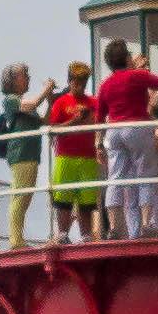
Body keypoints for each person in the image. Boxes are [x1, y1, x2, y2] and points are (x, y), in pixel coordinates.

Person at [95, 34, 158, 242]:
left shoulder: (105, 84)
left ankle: (113, 226)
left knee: (115, 178)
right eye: (129, 54)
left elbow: (99, 116)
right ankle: (148, 223)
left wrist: (98, 144)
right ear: (125, 58)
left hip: (113, 133)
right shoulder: (137, 76)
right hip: (137, 128)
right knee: (145, 175)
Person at [44, 63, 103, 235]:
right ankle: (63, 235)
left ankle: (86, 235)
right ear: (69, 81)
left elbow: (101, 123)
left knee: (87, 201)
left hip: (88, 158)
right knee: (63, 200)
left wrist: (91, 118)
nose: (80, 86)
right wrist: (76, 121)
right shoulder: (60, 103)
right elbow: (53, 131)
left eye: (84, 83)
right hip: (65, 157)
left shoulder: (93, 102)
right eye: (77, 82)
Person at [0, 62, 42, 247]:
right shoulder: (10, 99)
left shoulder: (24, 104)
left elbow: (44, 120)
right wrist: (45, 90)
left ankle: (17, 239)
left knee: (25, 196)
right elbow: (33, 103)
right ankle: (15, 240)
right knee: (20, 196)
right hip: (21, 154)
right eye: (24, 75)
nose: (28, 77)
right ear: (13, 80)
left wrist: (52, 99)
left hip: (30, 154)